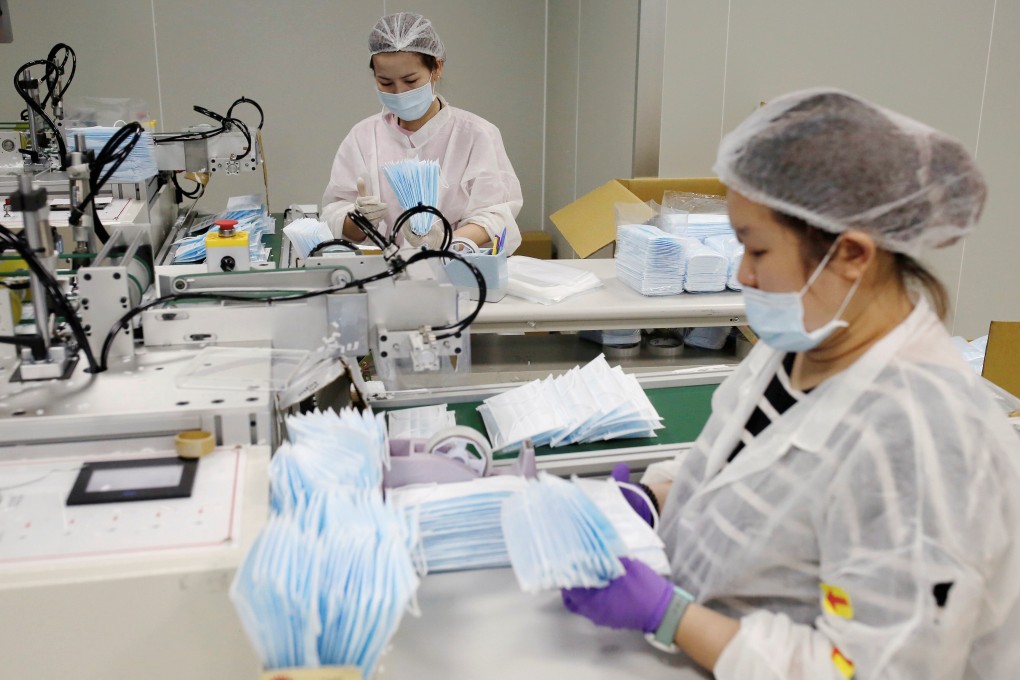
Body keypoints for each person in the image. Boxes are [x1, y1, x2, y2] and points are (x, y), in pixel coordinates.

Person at [560, 88, 1020, 679]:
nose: (743, 273)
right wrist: (652, 502)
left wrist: (670, 616)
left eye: (756, 249)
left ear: (851, 254)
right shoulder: (806, 337)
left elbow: (870, 669)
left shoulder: (923, 436)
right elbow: (745, 469)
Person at [321, 12, 523, 254]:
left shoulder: (476, 135)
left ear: (436, 68)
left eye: (410, 81)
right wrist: (358, 221)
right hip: (383, 270)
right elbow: (334, 213)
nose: (399, 93)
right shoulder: (362, 137)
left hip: (454, 268)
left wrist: (444, 241)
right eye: (386, 83)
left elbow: (496, 215)